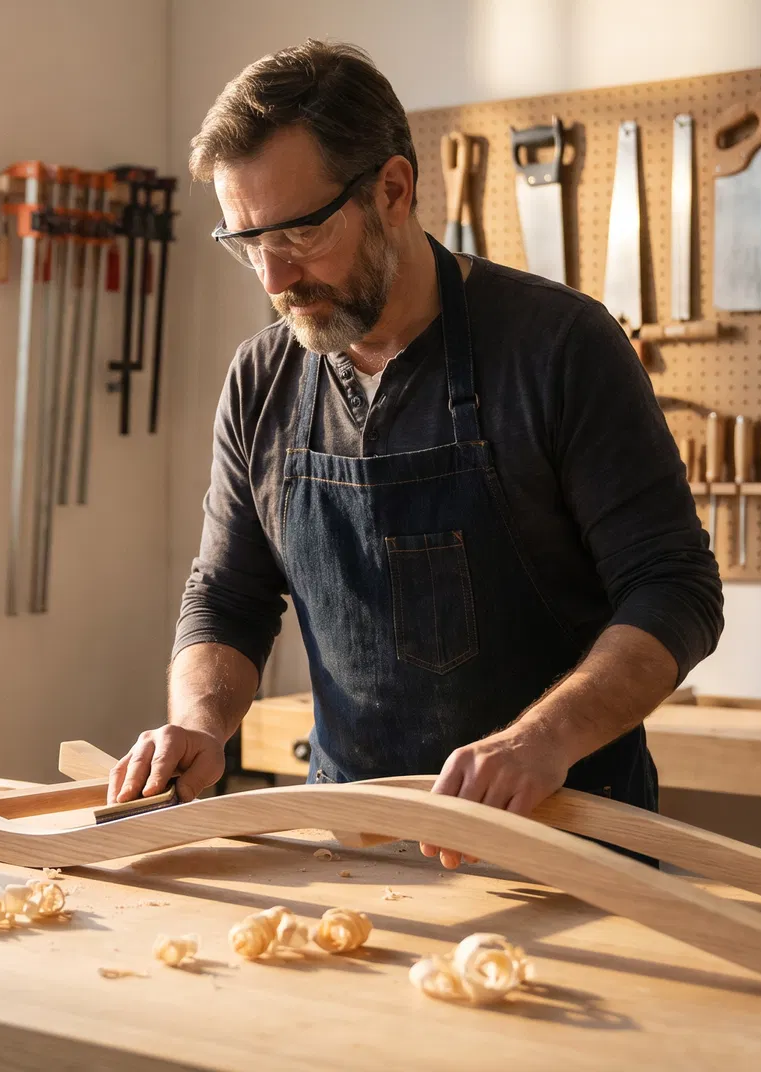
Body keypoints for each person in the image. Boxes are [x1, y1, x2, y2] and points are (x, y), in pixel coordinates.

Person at [107, 40, 723, 868]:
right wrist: (199, 722)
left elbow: (674, 589)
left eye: (297, 233)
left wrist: (541, 739)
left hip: (569, 842)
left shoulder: (560, 347)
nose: (273, 278)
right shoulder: (263, 378)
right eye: (247, 241)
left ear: (392, 190)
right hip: (355, 851)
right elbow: (227, 593)